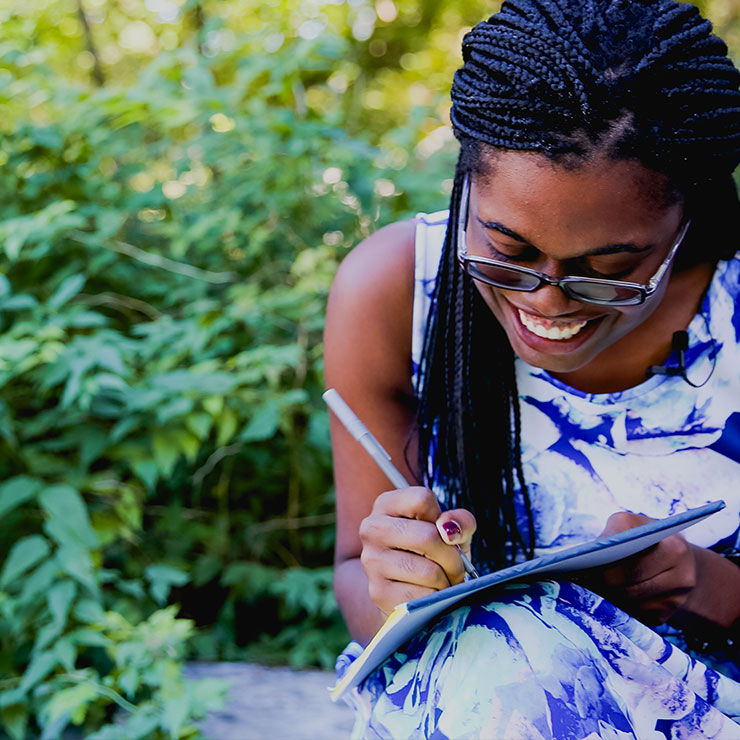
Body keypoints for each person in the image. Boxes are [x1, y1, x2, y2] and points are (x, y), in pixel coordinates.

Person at [324, 0, 740, 736]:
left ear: (688, 219)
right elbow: (357, 575)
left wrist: (709, 589)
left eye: (610, 268)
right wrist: (395, 583)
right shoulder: (392, 292)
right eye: (508, 251)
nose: (547, 301)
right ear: (467, 186)